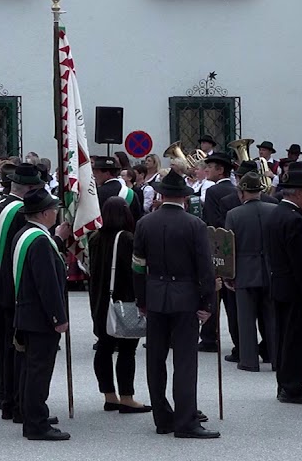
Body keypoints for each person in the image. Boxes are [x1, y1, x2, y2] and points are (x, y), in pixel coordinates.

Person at [132, 170, 219, 439]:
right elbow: (204, 267)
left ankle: (162, 417)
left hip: (156, 295)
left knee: (155, 360)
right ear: (184, 196)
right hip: (185, 297)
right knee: (184, 362)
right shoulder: (195, 225)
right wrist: (208, 302)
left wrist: (142, 300)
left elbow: (137, 266)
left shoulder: (145, 223)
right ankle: (185, 420)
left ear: (160, 194)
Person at [0, 163, 43, 422]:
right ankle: (16, 401)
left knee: (6, 345)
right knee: (16, 346)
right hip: (11, 284)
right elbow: (20, 252)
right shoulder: (21, 211)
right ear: (28, 189)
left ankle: (5, 394)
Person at [13, 190, 70, 441]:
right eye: (54, 209)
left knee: (30, 369)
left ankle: (31, 414)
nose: (56, 213)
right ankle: (36, 423)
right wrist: (58, 317)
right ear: (45, 213)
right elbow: (46, 284)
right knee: (39, 370)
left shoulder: (24, 234)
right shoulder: (39, 241)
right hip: (40, 317)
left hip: (27, 311)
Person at [87, 197, 150, 413]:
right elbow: (133, 271)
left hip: (100, 299)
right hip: (123, 299)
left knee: (104, 346)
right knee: (126, 350)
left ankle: (109, 395)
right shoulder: (127, 239)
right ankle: (126, 396)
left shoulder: (95, 237)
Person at [267, 168, 302, 406]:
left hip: (279, 285)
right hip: (295, 289)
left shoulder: (275, 214)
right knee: (297, 339)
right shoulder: (295, 220)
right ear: (299, 193)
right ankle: (293, 387)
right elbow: (301, 262)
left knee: (283, 337)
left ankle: (284, 383)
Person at [224, 171, 277, 372]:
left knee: (245, 320)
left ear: (242, 192)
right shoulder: (274, 210)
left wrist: (229, 275)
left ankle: (249, 360)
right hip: (270, 271)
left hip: (245, 272)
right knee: (272, 318)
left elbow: (229, 248)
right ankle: (275, 357)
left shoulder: (234, 215)